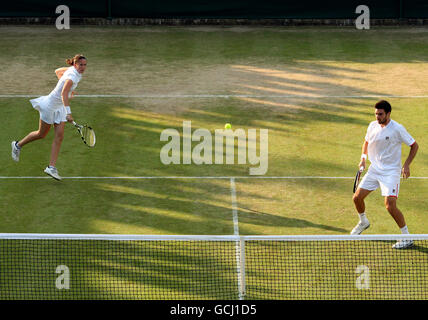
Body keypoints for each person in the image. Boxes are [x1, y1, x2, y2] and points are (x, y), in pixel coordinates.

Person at [351, 100, 419, 249]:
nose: (377, 116)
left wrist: (406, 165)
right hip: (374, 170)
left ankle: (407, 238)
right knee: (357, 198)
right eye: (376, 113)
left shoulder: (397, 129)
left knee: (390, 206)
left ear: (388, 114)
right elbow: (366, 142)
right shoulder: (372, 126)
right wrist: (363, 159)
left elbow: (414, 145)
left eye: (380, 114)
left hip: (391, 172)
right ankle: (363, 222)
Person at [11, 54, 87, 180]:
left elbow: (58, 72)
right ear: (75, 64)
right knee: (41, 134)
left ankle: (51, 168)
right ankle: (17, 145)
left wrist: (69, 91)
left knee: (59, 135)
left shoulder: (73, 72)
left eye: (85, 65)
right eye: (81, 65)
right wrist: (68, 112)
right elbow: (63, 93)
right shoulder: (72, 76)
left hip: (59, 107)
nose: (83, 67)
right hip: (50, 106)